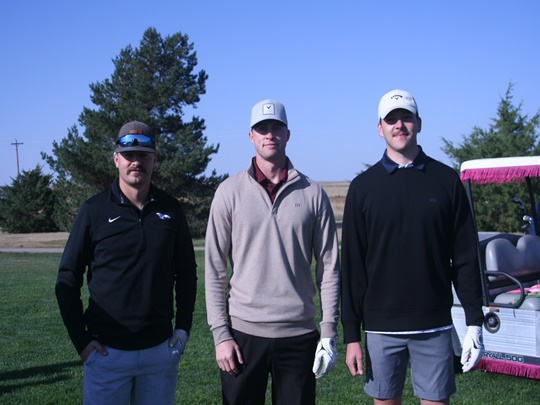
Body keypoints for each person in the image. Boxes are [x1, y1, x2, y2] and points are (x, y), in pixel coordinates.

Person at [341, 90, 485, 405]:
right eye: (391, 119)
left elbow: (465, 257)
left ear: (419, 123)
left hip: (434, 325)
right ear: (379, 128)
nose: (399, 125)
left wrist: (474, 320)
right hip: (381, 328)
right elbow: (353, 267)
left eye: (406, 117)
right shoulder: (363, 188)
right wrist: (351, 335)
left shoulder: (446, 180)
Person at [205, 99, 341, 404]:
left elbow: (330, 266)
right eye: (262, 128)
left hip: (298, 335)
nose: (270, 134)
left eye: (276, 127)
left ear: (287, 134)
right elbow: (214, 268)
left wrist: (329, 331)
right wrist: (221, 334)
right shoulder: (229, 191)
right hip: (242, 334)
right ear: (250, 136)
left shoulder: (313, 193)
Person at [55, 121, 198, 405]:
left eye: (144, 155)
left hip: (159, 351)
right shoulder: (93, 210)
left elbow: (186, 273)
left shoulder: (171, 209)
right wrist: (81, 341)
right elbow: (67, 278)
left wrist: (183, 328)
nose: (136, 162)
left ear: (154, 159)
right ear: (116, 160)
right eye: (129, 155)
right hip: (106, 353)